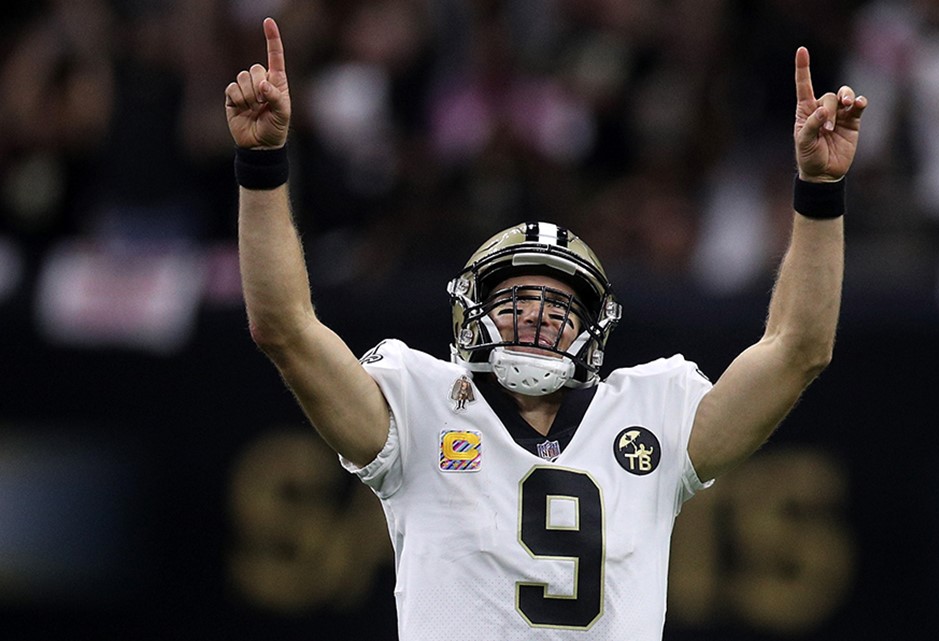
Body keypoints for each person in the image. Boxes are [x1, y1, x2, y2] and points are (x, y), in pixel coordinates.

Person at [225, 16, 866, 641]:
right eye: (515, 300)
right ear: (471, 314)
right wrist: (262, 166)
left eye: (561, 306)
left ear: (593, 331)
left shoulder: (654, 412)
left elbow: (798, 350)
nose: (536, 315)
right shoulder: (418, 406)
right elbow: (285, 329)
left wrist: (819, 190)